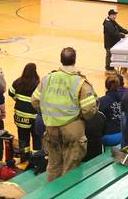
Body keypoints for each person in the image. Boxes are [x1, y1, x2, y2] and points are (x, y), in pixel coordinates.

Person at [31, 47, 97, 181]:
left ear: (61, 60)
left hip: (51, 128)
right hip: (72, 129)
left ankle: (51, 194)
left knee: (53, 164)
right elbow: (89, 109)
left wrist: (48, 114)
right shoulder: (80, 82)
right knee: (70, 166)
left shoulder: (47, 79)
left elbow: (35, 100)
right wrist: (80, 118)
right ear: (75, 60)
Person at [8, 63, 40, 158]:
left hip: (20, 116)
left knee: (23, 138)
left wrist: (17, 99)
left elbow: (10, 93)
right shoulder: (37, 84)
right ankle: (36, 158)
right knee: (36, 138)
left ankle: (24, 157)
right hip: (33, 117)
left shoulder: (17, 82)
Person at [99, 75, 127, 147]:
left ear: (106, 86)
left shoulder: (102, 101)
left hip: (108, 137)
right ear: (118, 85)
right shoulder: (125, 98)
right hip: (124, 134)